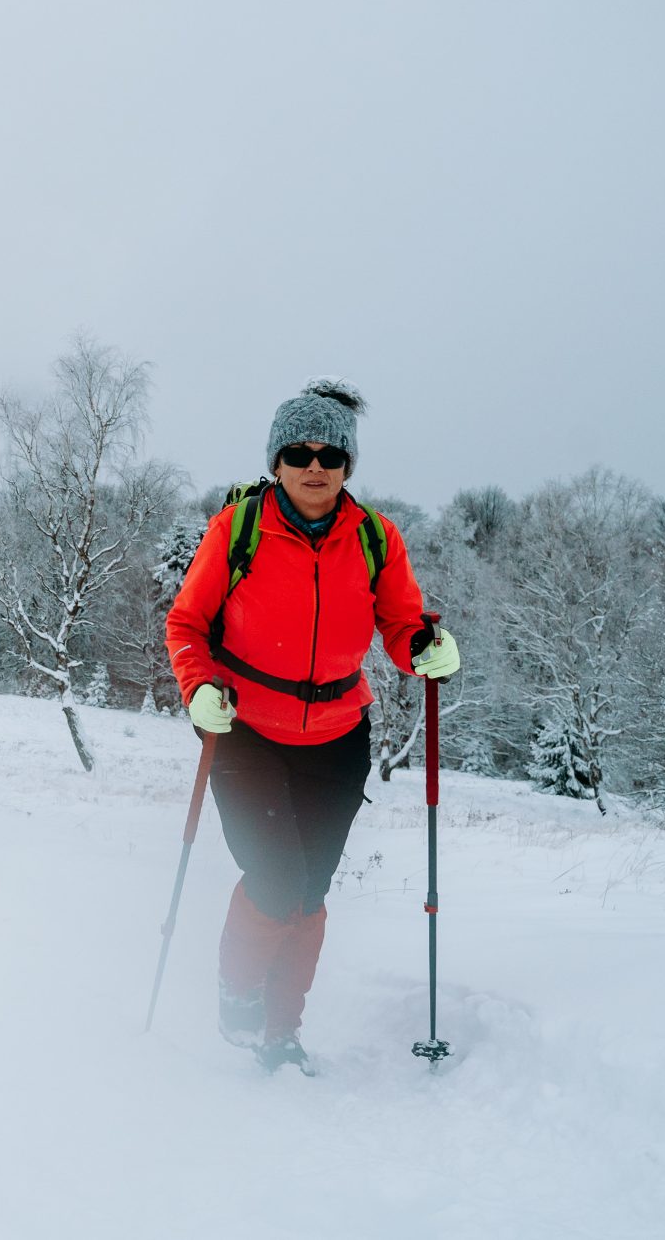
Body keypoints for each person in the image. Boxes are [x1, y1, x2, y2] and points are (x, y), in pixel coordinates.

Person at [164, 381, 460, 1073]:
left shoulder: (376, 537)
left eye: (331, 454)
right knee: (275, 875)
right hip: (245, 731)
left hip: (337, 737)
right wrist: (198, 686)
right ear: (276, 461)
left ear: (348, 463)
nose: (315, 465)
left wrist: (424, 647)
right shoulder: (237, 530)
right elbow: (185, 623)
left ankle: (281, 1032)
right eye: (298, 452)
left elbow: (400, 622)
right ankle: (238, 992)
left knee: (309, 890)